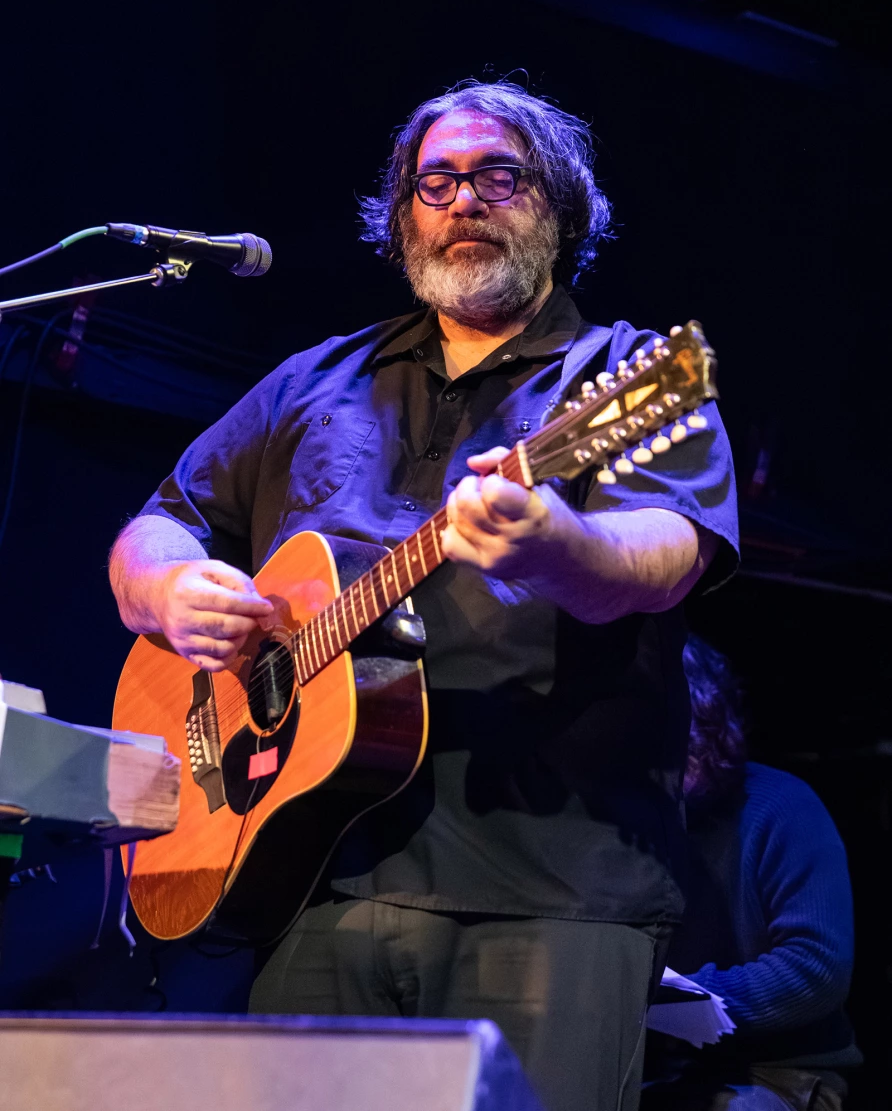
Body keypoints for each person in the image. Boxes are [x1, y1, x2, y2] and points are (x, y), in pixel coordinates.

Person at [109, 81, 739, 1111]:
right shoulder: (314, 379)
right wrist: (167, 589)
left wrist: (557, 544)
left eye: (499, 175)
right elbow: (158, 520)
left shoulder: (620, 373)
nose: (462, 200)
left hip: (551, 889)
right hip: (314, 879)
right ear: (402, 213)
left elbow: (667, 548)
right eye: (434, 182)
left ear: (559, 206)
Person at [642, 637, 860, 1111]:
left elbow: (816, 968)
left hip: (783, 1072)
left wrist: (666, 1004)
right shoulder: (630, 821)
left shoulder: (782, 805)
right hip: (657, 1069)